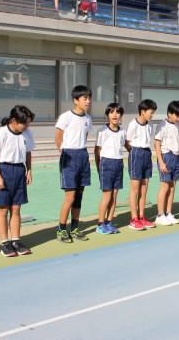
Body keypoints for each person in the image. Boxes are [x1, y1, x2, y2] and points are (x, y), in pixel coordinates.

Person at [0, 105, 35, 257]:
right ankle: (5, 243)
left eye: (28, 123)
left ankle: (16, 240)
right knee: (3, 209)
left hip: (19, 171)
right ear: (14, 121)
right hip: (4, 170)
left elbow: (28, 153)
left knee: (16, 209)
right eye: (24, 123)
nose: (27, 126)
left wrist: (29, 170)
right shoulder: (1, 133)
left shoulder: (27, 133)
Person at [54, 85, 92, 243]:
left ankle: (75, 228)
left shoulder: (88, 118)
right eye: (85, 98)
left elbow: (85, 136)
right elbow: (58, 138)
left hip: (83, 155)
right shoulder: (66, 117)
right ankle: (61, 229)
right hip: (69, 156)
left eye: (89, 98)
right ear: (76, 100)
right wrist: (65, 153)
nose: (88, 101)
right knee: (70, 197)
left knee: (79, 196)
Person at [125, 99, 157, 231]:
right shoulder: (133, 124)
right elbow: (127, 141)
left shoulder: (149, 125)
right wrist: (133, 153)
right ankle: (134, 218)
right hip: (136, 153)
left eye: (153, 113)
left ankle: (142, 216)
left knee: (144, 188)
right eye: (151, 112)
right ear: (143, 111)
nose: (152, 115)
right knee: (135, 189)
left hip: (147, 153)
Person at [94, 103, 126, 235]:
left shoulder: (122, 132)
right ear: (107, 115)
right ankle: (100, 224)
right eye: (112, 112)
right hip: (106, 164)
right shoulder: (102, 131)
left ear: (121, 116)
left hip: (119, 163)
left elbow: (123, 146)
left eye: (118, 112)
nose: (115, 115)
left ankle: (109, 222)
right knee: (107, 196)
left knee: (115, 195)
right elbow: (97, 151)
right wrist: (99, 167)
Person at [154, 100, 179, 226]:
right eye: (177, 115)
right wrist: (161, 162)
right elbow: (157, 144)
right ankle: (160, 215)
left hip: (176, 156)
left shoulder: (178, 125)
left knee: (172, 187)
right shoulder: (162, 124)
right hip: (166, 156)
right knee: (165, 187)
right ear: (169, 113)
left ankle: (169, 213)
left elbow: (177, 142)